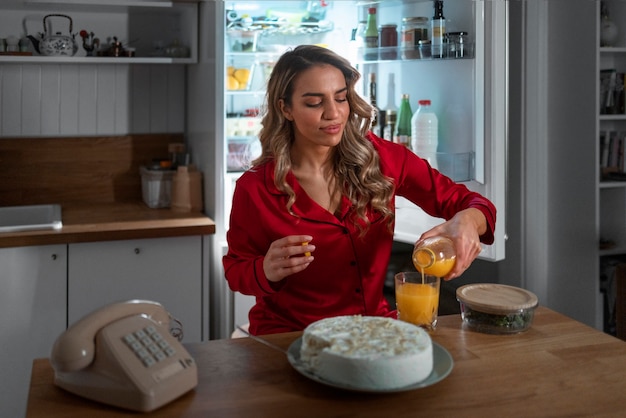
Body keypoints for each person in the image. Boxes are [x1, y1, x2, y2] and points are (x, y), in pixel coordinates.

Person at [223, 45, 496, 335]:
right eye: (315, 103)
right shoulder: (255, 188)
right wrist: (264, 269)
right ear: (285, 108)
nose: (334, 113)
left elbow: (472, 203)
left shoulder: (383, 159)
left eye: (341, 98)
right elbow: (236, 271)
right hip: (288, 335)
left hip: (370, 330)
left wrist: (468, 220)